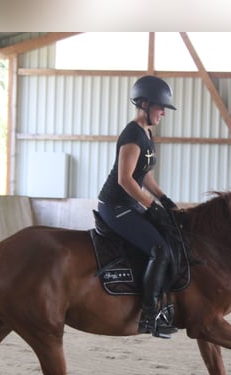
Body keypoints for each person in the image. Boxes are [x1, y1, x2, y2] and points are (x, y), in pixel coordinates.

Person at [97, 75, 180, 339]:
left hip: (130, 203)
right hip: (116, 205)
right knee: (160, 249)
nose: (163, 113)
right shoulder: (132, 134)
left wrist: (163, 198)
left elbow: (142, 174)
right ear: (144, 104)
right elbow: (124, 179)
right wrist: (150, 206)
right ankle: (148, 314)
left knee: (169, 235)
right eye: (160, 107)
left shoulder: (147, 133)